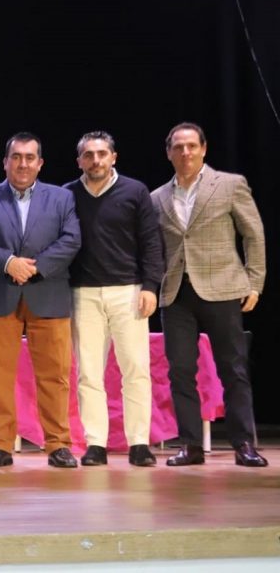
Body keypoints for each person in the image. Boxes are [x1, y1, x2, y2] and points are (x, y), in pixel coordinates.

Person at [151, 122, 267, 467]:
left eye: (191, 146)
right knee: (180, 371)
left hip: (223, 287)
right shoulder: (157, 197)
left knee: (232, 367)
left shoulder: (230, 185)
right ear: (169, 152)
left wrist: (255, 281)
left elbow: (254, 234)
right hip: (175, 293)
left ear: (203, 149)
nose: (185, 152)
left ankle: (243, 443)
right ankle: (190, 444)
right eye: (178, 147)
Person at [0, 132, 81, 469]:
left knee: (55, 375)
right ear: (6, 162)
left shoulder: (62, 199)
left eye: (30, 157)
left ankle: (58, 445)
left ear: (40, 163)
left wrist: (35, 268)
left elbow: (71, 240)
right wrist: (8, 262)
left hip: (48, 293)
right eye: (16, 157)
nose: (23, 163)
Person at [65, 131, 163, 467]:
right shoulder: (68, 195)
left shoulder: (135, 191)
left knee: (135, 369)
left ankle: (139, 443)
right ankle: (96, 444)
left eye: (102, 154)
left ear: (113, 157)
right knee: (88, 373)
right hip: (83, 294)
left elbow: (151, 243)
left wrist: (151, 286)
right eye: (88, 155)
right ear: (79, 160)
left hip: (129, 292)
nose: (95, 160)